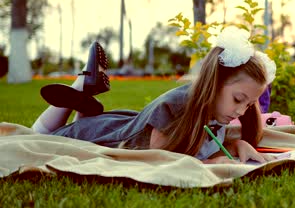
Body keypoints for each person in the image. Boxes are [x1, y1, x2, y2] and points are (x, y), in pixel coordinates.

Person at [32, 28, 277, 164]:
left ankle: (84, 97)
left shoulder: (216, 113)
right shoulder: (176, 108)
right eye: (238, 99)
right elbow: (159, 160)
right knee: (37, 138)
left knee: (84, 125)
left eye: (248, 104)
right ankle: (81, 84)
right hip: (93, 137)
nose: (241, 112)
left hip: (110, 126)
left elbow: (199, 150)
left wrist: (236, 145)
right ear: (215, 82)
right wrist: (210, 165)